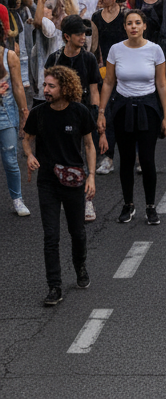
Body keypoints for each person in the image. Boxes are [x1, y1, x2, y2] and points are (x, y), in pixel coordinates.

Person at [23, 66, 97, 305]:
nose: (45, 90)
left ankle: (80, 267)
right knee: (50, 236)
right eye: (44, 85)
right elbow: (27, 139)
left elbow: (88, 145)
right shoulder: (38, 113)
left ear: (65, 88)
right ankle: (54, 286)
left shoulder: (80, 112)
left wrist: (92, 176)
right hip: (47, 182)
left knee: (77, 232)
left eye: (51, 86)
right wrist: (29, 156)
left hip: (74, 181)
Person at [96, 10, 166, 225]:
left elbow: (162, 83)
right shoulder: (116, 50)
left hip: (148, 107)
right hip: (123, 107)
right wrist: (101, 112)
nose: (133, 27)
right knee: (126, 159)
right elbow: (109, 82)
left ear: (144, 26)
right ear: (125, 27)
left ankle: (150, 206)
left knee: (147, 160)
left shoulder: (155, 50)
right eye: (129, 23)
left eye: (138, 23)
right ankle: (128, 204)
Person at [0, 36, 29, 215]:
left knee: (10, 160)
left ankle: (17, 199)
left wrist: (25, 113)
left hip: (6, 114)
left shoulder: (9, 56)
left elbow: (18, 86)